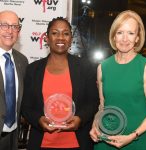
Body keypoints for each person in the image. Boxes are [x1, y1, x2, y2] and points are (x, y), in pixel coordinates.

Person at [21, 17, 99, 150]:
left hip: (78, 144)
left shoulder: (85, 67)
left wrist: (80, 119)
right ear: (47, 38)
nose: (60, 37)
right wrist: (39, 120)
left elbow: (93, 102)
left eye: (66, 33)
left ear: (71, 39)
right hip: (42, 144)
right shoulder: (33, 69)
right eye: (55, 33)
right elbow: (26, 107)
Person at [90, 10, 146, 150]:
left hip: (137, 142)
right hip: (106, 141)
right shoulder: (102, 67)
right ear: (114, 36)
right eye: (120, 32)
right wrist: (95, 124)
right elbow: (102, 107)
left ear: (137, 38)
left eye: (130, 33)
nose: (124, 39)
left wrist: (133, 136)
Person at [0, 10, 28, 150]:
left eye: (15, 26)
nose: (10, 30)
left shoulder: (22, 61)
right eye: (4, 25)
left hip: (13, 138)